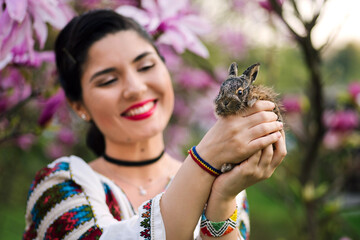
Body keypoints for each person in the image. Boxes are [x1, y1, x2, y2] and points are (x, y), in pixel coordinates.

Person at [23, 9, 286, 240]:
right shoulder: (60, 187)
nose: (136, 89)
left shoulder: (231, 186)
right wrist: (207, 157)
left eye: (146, 66)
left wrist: (222, 198)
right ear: (78, 105)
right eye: (107, 81)